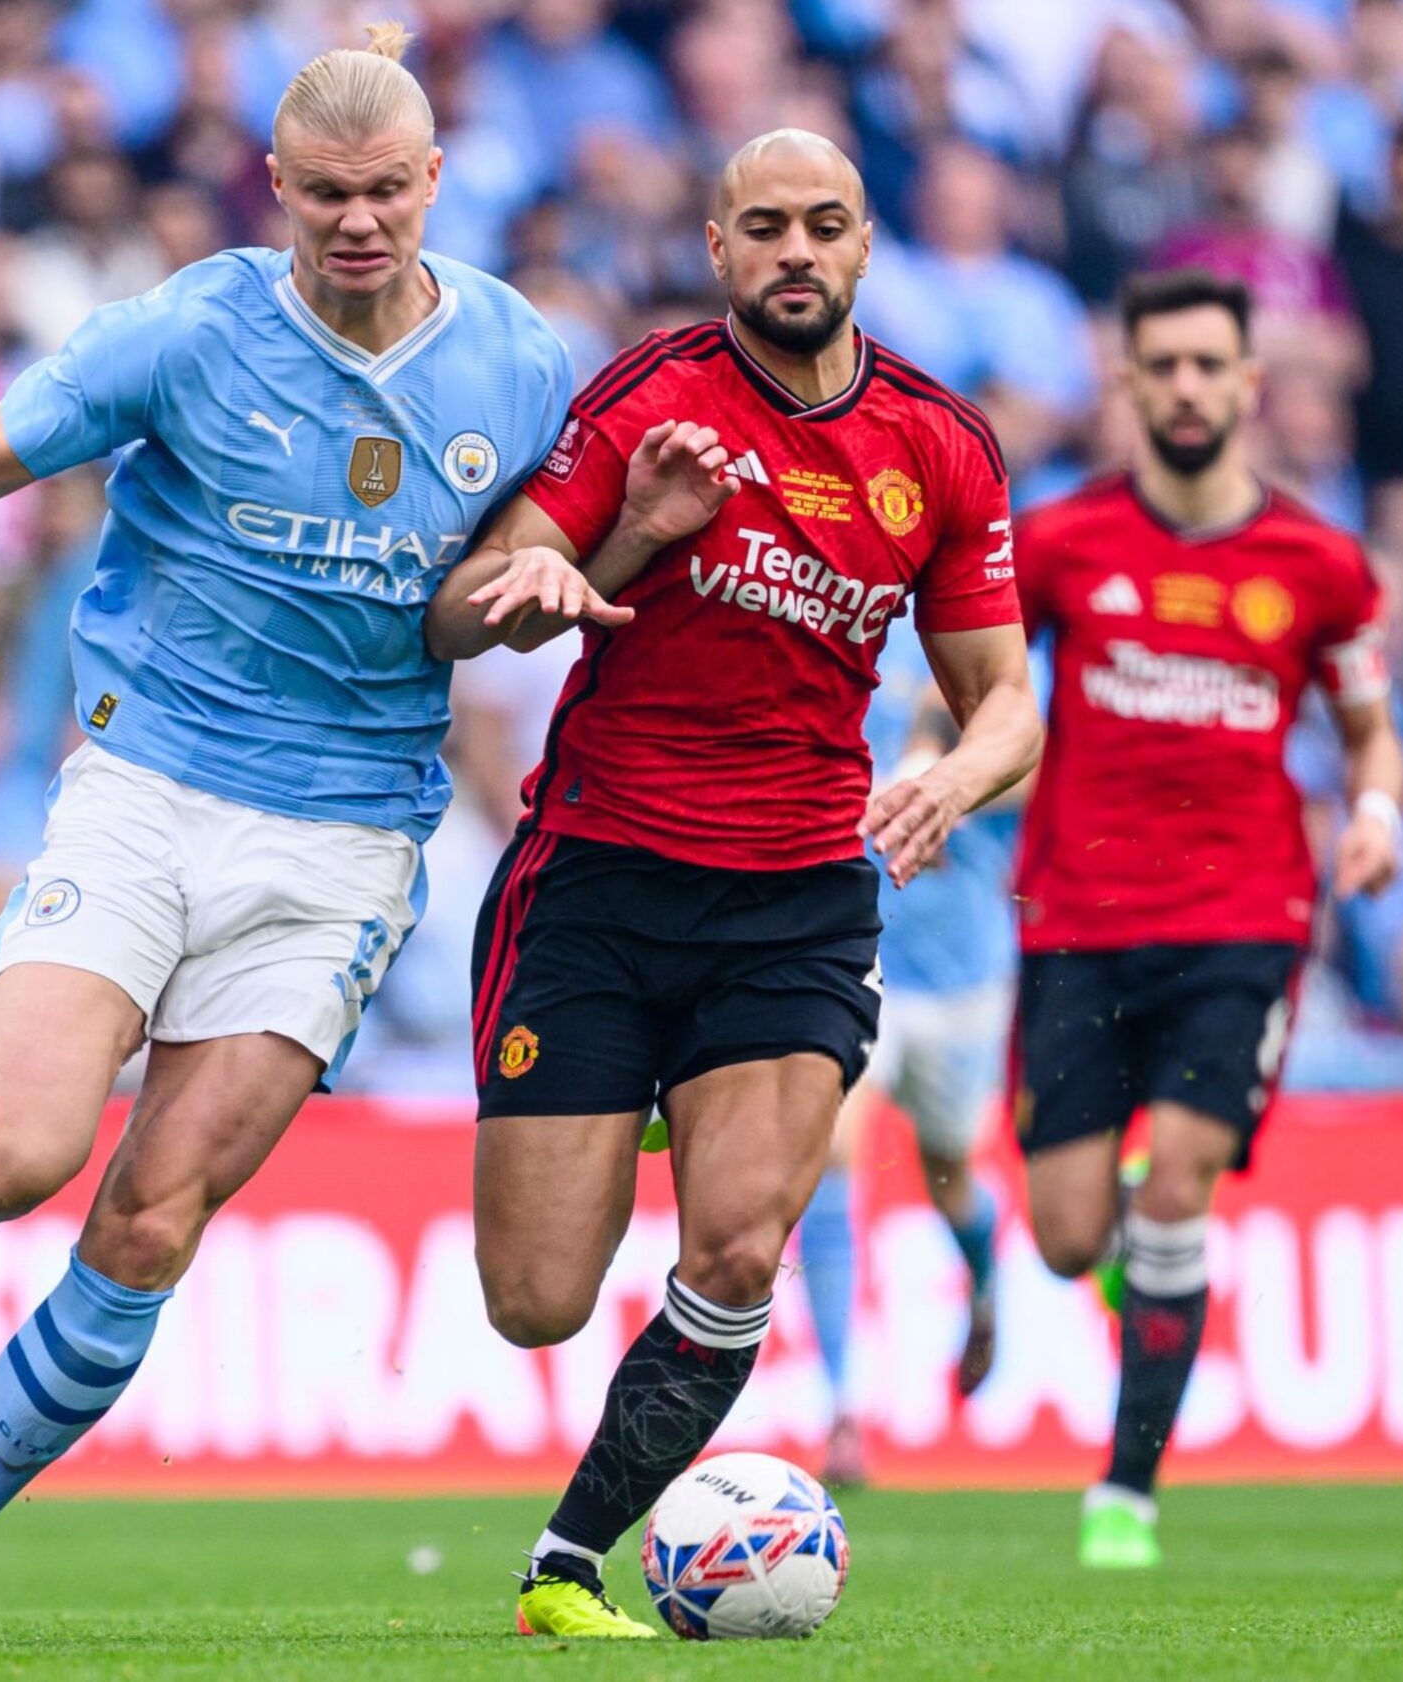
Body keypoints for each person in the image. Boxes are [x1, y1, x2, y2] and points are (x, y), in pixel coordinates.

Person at [0, 27, 572, 1645]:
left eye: (386, 195)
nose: (357, 225)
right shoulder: (192, 330)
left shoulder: (519, 361)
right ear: (274, 188)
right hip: (147, 789)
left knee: (152, 1213)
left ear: (434, 184)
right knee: (17, 1161)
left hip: (346, 843)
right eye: (325, 198)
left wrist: (564, 566)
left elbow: (488, 592)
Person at [425, 129, 1041, 1639]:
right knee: (535, 1300)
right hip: (604, 877)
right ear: (717, 245)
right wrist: (628, 537)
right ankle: (634, 1079)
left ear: (866, 243)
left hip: (796, 895)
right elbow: (465, 612)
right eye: (764, 225)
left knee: (742, 1245)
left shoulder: (940, 446)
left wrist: (952, 778)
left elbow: (1007, 696)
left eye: (825, 224)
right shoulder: (650, 398)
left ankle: (567, 1562)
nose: (796, 252)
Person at [1008, 270, 1403, 1571]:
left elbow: (1368, 729)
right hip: (1076, 912)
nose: (1184, 387)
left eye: (1206, 366)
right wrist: (937, 768)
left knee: (1178, 1177)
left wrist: (1380, 812)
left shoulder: (1321, 565)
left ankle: (1126, 1488)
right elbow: (982, 683)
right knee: (1071, 1235)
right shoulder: (1061, 543)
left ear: (1249, 385)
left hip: (1245, 912)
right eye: (1159, 365)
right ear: (1127, 383)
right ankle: (1134, 1256)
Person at [802, 630, 1021, 1490]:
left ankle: (984, 1282)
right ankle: (842, 1409)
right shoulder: (825, 611)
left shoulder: (977, 634)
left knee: (949, 1172)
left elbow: (1034, 760)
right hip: (858, 951)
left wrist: (943, 793)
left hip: (963, 969)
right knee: (832, 1156)